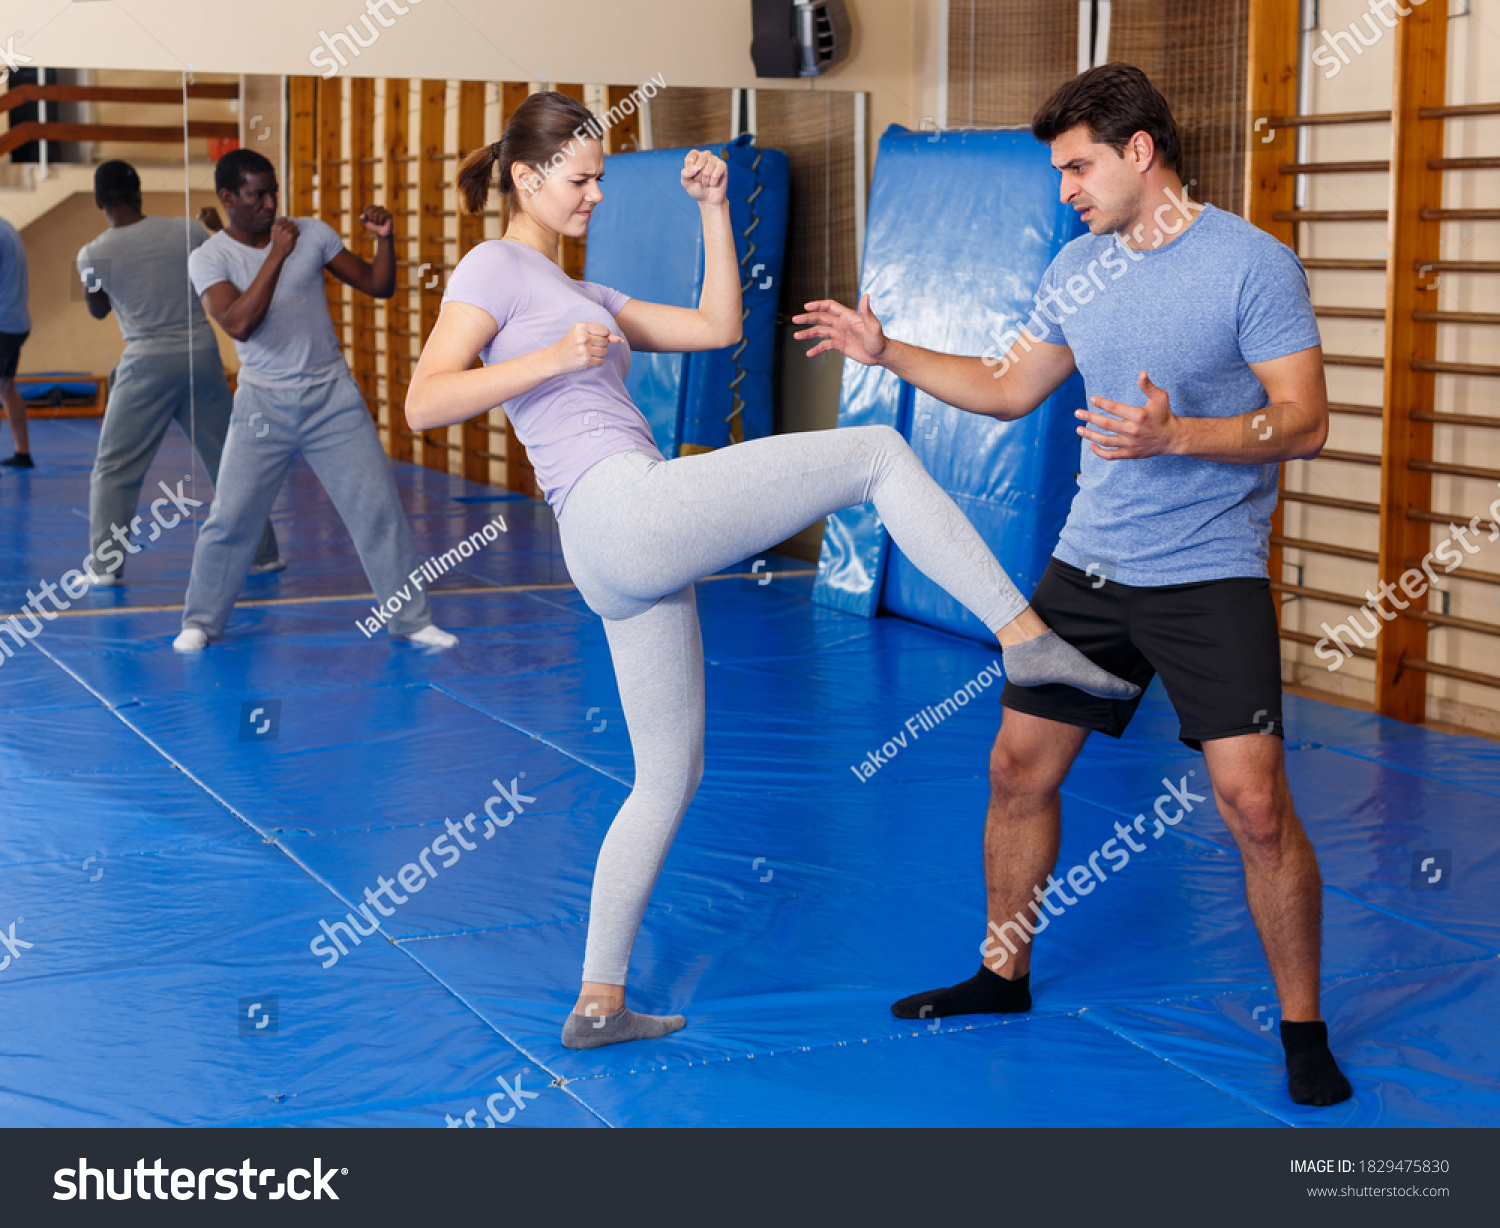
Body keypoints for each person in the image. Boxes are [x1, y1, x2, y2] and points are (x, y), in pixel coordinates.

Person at [406, 91, 1139, 1051]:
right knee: (875, 450)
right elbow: (425, 401)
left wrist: (715, 208)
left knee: (667, 774)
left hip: (616, 547)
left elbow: (720, 328)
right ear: (528, 176)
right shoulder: (495, 265)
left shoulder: (587, 295)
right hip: (623, 508)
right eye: (581, 181)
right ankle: (1027, 638)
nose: (594, 197)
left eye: (599, 180)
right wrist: (546, 360)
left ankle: (598, 999)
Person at [795, 63, 1351, 1107]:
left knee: (1255, 804)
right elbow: (1008, 392)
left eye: (1079, 166)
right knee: (1017, 769)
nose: (1066, 189)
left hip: (1208, 576)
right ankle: (1002, 971)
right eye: (1060, 171)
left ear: (1142, 152)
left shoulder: (1253, 265)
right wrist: (885, 351)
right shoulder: (1077, 270)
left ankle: (1303, 1026)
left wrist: (1178, 433)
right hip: (1092, 566)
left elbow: (1306, 419)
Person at [174, 148, 455, 653]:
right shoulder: (209, 257)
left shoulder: (313, 233)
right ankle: (201, 621)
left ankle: (411, 621)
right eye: (255, 194)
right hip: (263, 405)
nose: (268, 203)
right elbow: (239, 323)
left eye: (272, 191)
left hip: (332, 398)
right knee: (232, 517)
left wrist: (386, 241)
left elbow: (378, 284)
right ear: (227, 198)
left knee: (377, 509)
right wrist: (277, 255)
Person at [77, 160, 280, 584]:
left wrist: (94, 279)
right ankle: (265, 553)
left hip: (146, 359)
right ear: (139, 193)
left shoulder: (94, 253)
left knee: (116, 468)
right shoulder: (185, 232)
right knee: (229, 458)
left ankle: (104, 567)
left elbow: (97, 310)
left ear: (99, 202)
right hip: (200, 355)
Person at [0, 210, 32, 468]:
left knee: (5, 389)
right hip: (16, 323)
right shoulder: (7, 227)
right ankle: (23, 453)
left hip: (2, 326)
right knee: (6, 389)